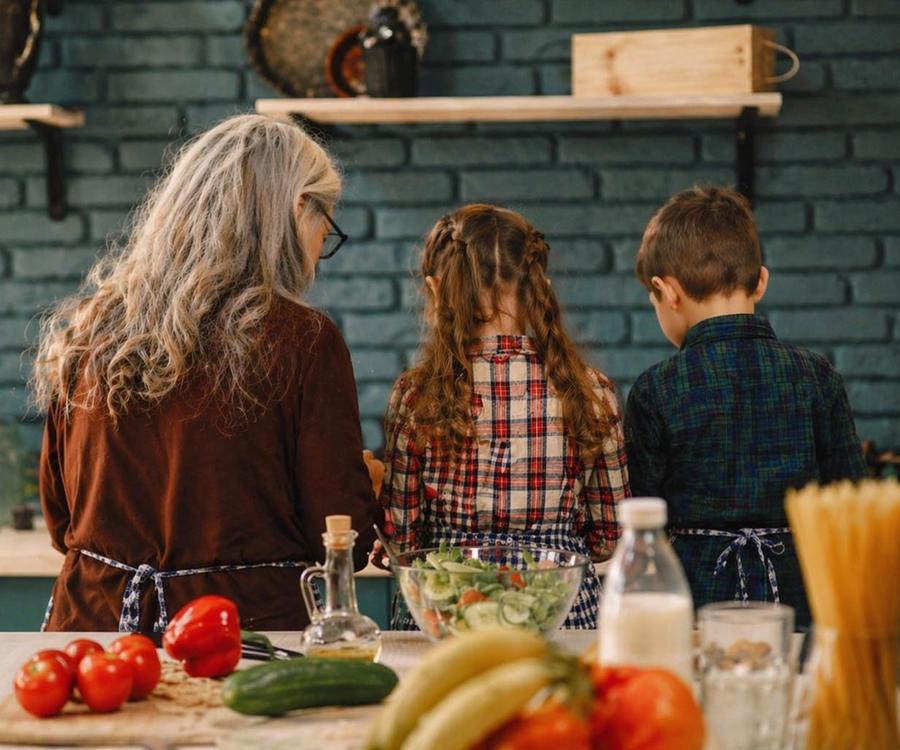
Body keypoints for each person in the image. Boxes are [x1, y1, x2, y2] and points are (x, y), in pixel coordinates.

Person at [32, 114, 380, 632]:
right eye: (323, 224)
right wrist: (366, 483)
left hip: (94, 634)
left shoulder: (89, 329)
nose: (319, 251)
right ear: (295, 210)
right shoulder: (305, 341)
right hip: (239, 639)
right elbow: (339, 538)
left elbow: (62, 526)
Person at [624, 185, 866, 627]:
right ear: (761, 281)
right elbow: (849, 501)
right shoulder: (818, 376)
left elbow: (642, 515)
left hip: (695, 603)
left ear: (667, 292)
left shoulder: (655, 390)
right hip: (802, 599)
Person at [381, 204, 629, 629]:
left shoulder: (415, 395)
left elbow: (401, 538)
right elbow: (611, 534)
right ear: (538, 288)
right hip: (555, 608)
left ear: (437, 290)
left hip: (448, 608)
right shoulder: (591, 392)